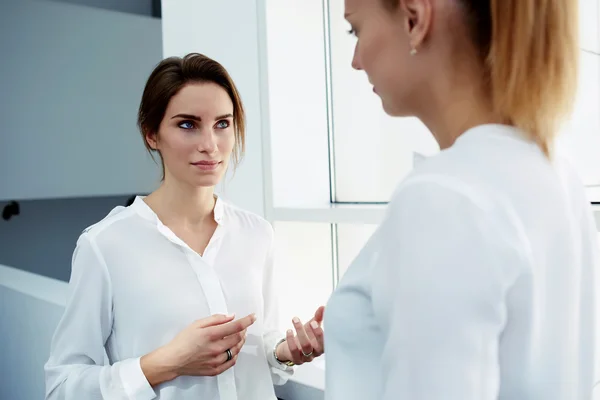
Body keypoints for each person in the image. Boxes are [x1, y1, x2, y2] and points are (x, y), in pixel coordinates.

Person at [325, 0, 598, 399]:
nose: (356, 60)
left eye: (356, 30)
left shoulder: (443, 197)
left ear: (414, 19)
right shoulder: (557, 175)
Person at [45, 53, 324, 400]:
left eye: (223, 123)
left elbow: (259, 351)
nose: (210, 144)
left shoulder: (257, 234)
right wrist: (168, 362)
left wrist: (287, 351)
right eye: (188, 124)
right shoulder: (105, 246)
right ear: (151, 134)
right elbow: (61, 387)